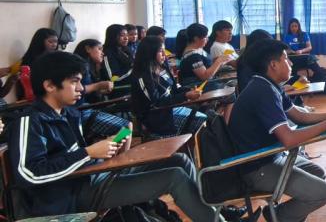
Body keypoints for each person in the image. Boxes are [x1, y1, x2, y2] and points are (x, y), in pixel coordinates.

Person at [7, 51, 220, 220]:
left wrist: (118, 144)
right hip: (69, 195)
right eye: (74, 82)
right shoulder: (30, 121)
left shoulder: (70, 113)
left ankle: (218, 214)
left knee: (179, 159)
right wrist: (88, 153)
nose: (81, 88)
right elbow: (29, 174)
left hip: (93, 175)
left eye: (81, 81)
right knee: (174, 177)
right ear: (49, 85)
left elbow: (115, 133)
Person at [228, 39, 326, 222]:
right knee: (321, 192)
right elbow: (288, 138)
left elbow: (299, 116)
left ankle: (282, 216)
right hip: (257, 167)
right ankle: (276, 217)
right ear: (273, 65)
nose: (291, 63)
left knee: (316, 173)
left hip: (270, 157)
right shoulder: (262, 91)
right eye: (286, 59)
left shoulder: (270, 85)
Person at [132, 36, 206, 137]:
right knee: (199, 121)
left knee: (204, 119)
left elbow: (174, 89)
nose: (164, 54)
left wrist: (189, 90)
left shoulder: (163, 68)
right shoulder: (142, 76)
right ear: (150, 53)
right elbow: (156, 103)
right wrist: (185, 96)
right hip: (156, 115)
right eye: (160, 51)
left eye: (164, 50)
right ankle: (185, 147)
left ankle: (191, 148)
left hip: (170, 108)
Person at [73, 39, 131, 142]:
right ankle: (113, 153)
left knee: (127, 124)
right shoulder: (81, 67)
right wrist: (98, 86)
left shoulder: (90, 66)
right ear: (87, 49)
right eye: (99, 49)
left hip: (88, 107)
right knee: (126, 128)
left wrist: (100, 90)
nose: (102, 53)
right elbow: (79, 90)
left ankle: (111, 151)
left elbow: (87, 90)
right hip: (82, 111)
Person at [1, 28, 60, 101]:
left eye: (56, 42)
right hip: (35, 97)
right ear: (40, 42)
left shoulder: (57, 58)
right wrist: (11, 79)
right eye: (50, 42)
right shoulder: (29, 60)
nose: (54, 45)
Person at [282, 18, 326, 96]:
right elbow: (284, 50)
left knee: (318, 71)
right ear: (289, 27)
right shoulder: (287, 36)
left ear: (298, 26)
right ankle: (296, 93)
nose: (294, 28)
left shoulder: (304, 34)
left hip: (305, 57)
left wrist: (301, 51)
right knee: (292, 75)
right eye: (292, 26)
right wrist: (290, 51)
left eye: (296, 26)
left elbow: (309, 47)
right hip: (294, 59)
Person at [179, 23, 233, 89]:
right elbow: (204, 76)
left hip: (207, 83)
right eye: (205, 37)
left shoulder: (198, 49)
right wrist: (218, 61)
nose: (207, 39)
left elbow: (206, 65)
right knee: (230, 88)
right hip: (198, 86)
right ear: (196, 38)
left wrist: (217, 61)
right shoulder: (192, 56)